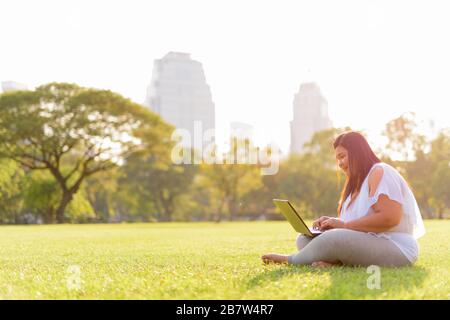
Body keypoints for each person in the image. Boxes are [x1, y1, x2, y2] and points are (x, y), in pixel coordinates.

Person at [261, 131, 426, 268]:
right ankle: (337, 263)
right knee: (305, 239)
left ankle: (292, 260)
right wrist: (333, 222)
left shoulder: (380, 171)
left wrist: (343, 226)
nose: (339, 164)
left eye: (342, 156)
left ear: (357, 153)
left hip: (397, 247)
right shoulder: (354, 185)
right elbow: (356, 224)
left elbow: (390, 218)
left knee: (334, 239)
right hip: (368, 243)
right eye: (337, 159)